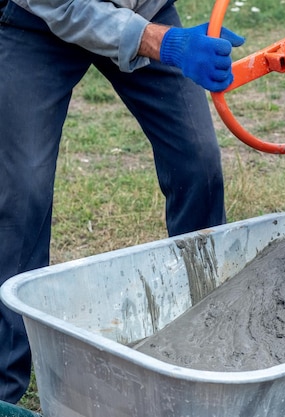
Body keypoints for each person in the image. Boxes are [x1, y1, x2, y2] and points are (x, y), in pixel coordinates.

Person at [0, 0, 244, 404]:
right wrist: (166, 44)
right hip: (39, 20)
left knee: (198, 164)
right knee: (21, 194)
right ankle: (5, 387)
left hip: (146, 11)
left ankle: (207, 339)